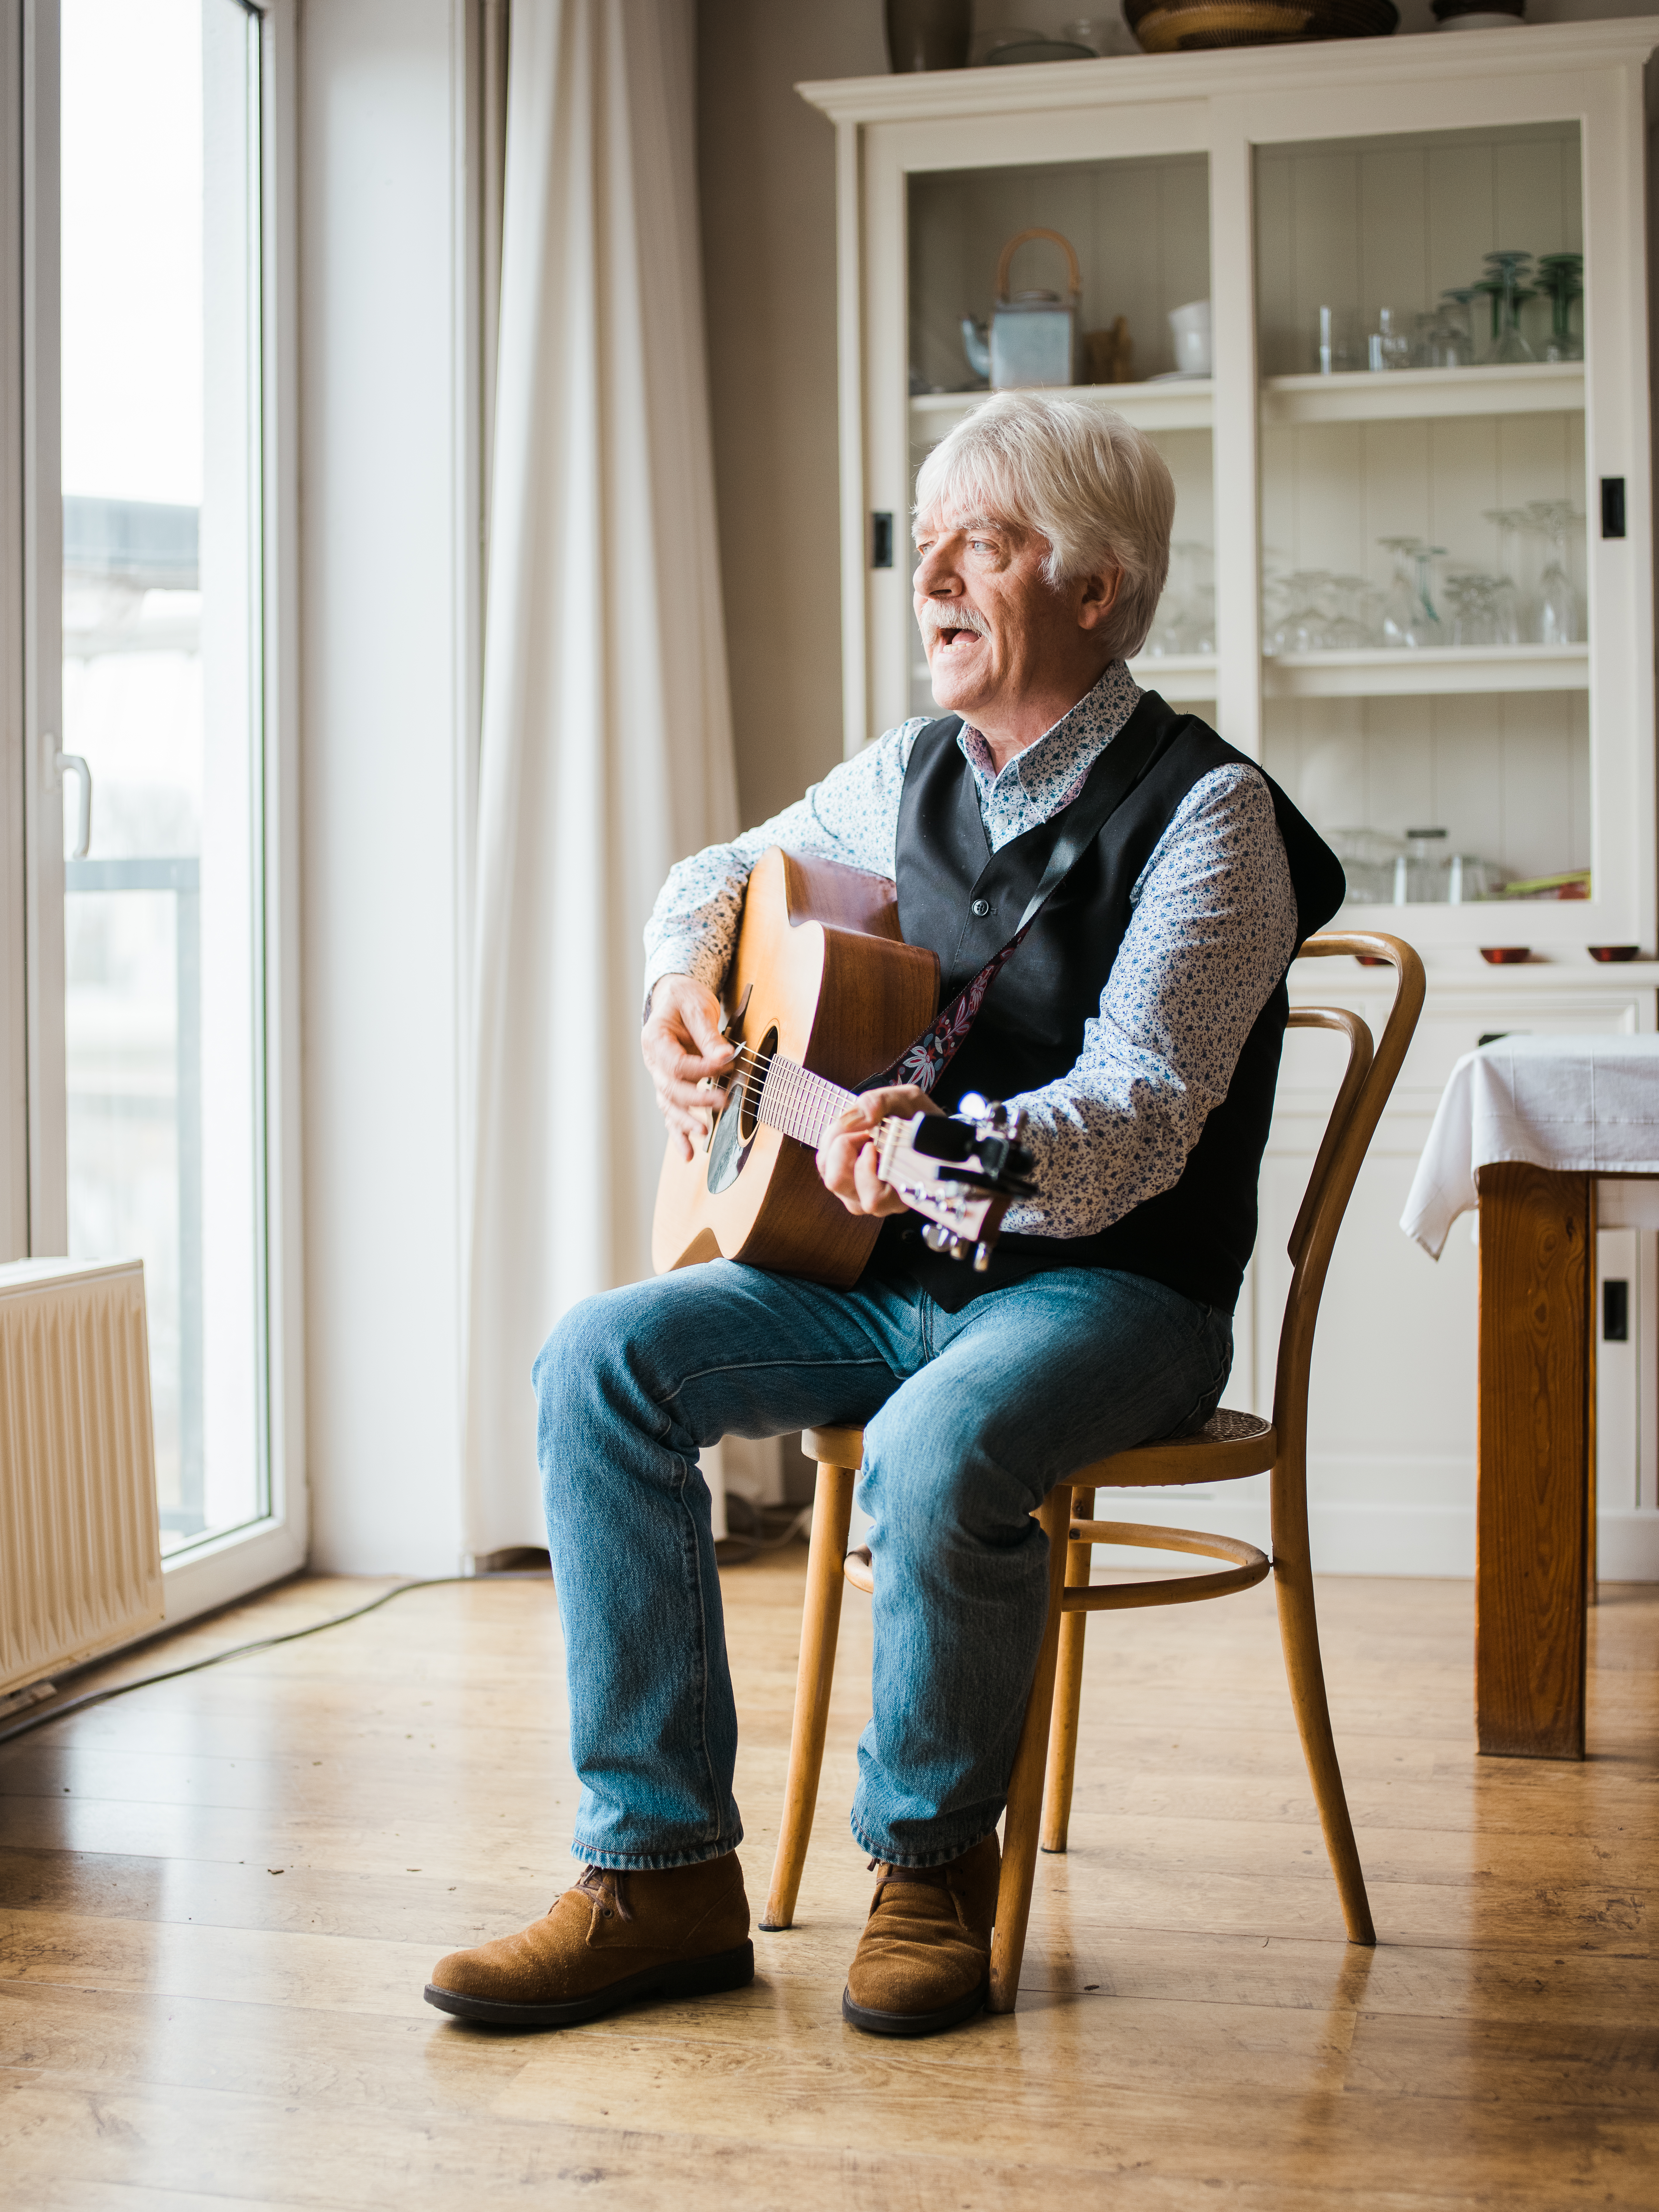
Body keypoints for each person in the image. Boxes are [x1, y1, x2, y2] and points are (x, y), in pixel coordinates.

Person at [424, 392, 1344, 2039]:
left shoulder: (1216, 819)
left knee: (931, 1442)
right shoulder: (907, 773)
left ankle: (927, 1870)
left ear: (1094, 584)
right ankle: (661, 1873)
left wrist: (965, 1138)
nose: (927, 567)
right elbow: (716, 874)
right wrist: (675, 991)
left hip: (1107, 1295)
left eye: (975, 540)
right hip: (877, 1274)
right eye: (922, 537)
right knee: (596, 1362)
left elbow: (1139, 1110)